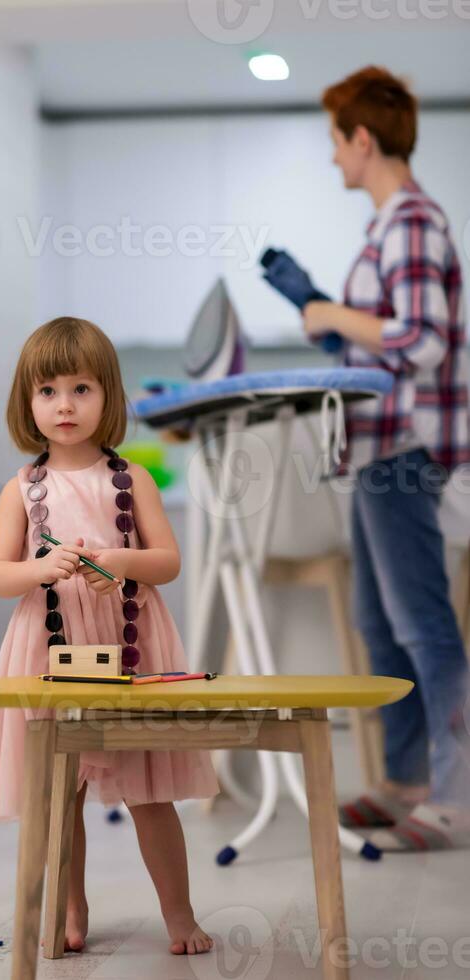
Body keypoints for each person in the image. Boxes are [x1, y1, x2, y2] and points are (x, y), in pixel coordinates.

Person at [0, 315, 219, 953]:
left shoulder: (131, 478)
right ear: (27, 403)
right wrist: (39, 568)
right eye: (48, 391)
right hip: (50, 649)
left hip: (129, 645)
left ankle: (179, 916)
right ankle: (69, 910)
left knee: (150, 790)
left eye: (81, 389)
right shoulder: (22, 490)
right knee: (62, 793)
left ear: (108, 395)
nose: (64, 405)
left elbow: (166, 561)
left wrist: (121, 562)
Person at [302, 65, 470, 851]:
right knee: (381, 622)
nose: (333, 158)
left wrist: (335, 313)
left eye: (336, 141)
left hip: (405, 450)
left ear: (362, 139)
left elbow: (425, 340)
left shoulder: (409, 221)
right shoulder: (388, 227)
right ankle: (406, 781)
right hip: (377, 450)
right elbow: (395, 335)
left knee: (421, 622)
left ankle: (455, 792)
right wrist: (335, 327)